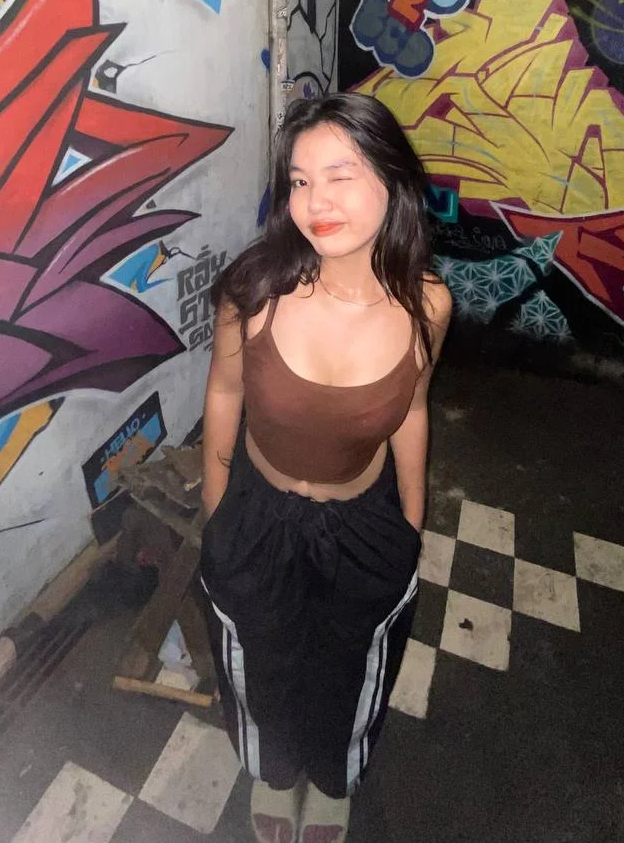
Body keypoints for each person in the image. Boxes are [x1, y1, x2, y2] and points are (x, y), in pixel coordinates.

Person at [199, 92, 452, 843]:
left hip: (365, 521)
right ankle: (274, 772)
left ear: (393, 181)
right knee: (262, 657)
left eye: (341, 175)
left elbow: (411, 409)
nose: (317, 202)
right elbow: (223, 392)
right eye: (301, 181)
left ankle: (335, 779)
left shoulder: (428, 306)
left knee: (352, 665)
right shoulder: (254, 290)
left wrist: (411, 525)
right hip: (258, 512)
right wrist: (217, 513)